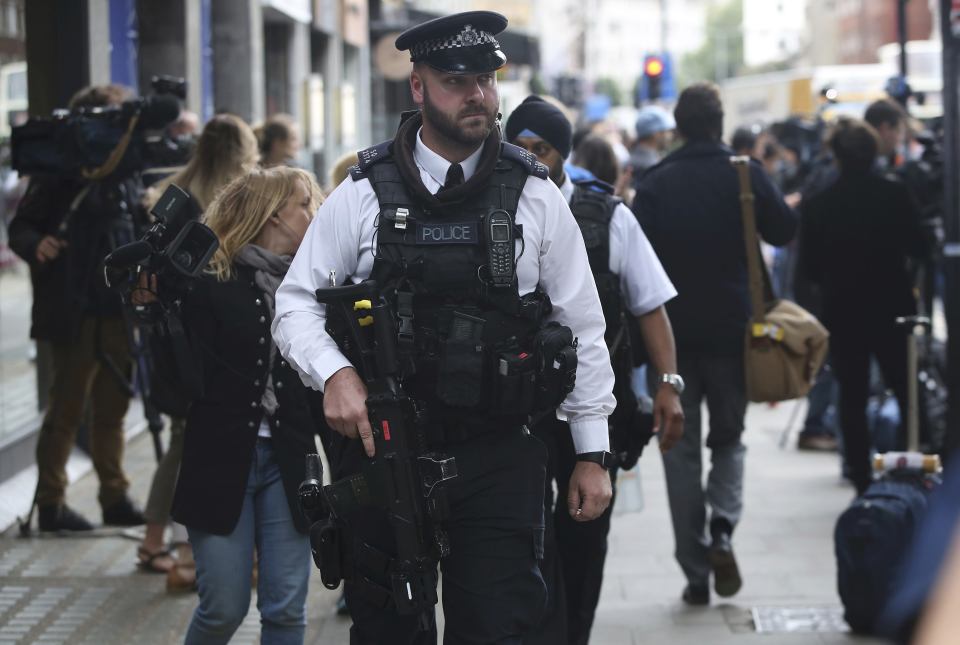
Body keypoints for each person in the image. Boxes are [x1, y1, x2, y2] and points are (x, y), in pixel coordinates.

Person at [273, 11, 616, 643]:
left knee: (498, 625)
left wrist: (592, 453)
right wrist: (336, 374)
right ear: (418, 87)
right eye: (456, 81)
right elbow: (294, 304)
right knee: (390, 628)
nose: (478, 95)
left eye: (486, 79)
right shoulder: (365, 191)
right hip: (385, 448)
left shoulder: (535, 193)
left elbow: (581, 324)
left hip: (498, 450)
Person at [505, 95, 683, 645]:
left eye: (544, 148)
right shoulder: (490, 210)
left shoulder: (608, 216)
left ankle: (571, 632)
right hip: (514, 408)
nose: (532, 158)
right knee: (524, 537)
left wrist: (668, 385)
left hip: (594, 408)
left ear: (563, 153)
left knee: (584, 532)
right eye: (521, 147)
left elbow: (649, 304)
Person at [633, 83, 797, 605]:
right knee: (728, 439)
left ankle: (696, 570)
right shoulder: (744, 173)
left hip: (672, 340)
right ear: (720, 122)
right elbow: (784, 230)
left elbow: (636, 267)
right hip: (733, 334)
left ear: (678, 127)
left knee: (679, 450)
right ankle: (724, 525)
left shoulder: (656, 183)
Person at [154, 166, 325, 644]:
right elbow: (173, 391)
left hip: (289, 463)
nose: (314, 213)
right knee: (224, 608)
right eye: (304, 204)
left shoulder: (312, 285)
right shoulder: (207, 283)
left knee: (287, 609)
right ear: (273, 215)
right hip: (220, 461)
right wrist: (157, 321)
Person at [8, 84, 150, 532]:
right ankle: (50, 502)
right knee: (66, 409)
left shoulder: (125, 172)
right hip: (72, 308)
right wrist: (38, 243)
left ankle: (115, 497)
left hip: (117, 307)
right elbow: (20, 227)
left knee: (114, 408)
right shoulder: (61, 172)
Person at [136, 113, 260, 587]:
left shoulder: (175, 195)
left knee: (181, 440)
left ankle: (155, 540)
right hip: (223, 338)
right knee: (215, 441)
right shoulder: (244, 197)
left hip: (174, 334)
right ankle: (198, 554)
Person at [797, 119, 925, 495]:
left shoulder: (820, 205)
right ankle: (908, 464)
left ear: (836, 156)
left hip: (844, 309)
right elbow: (919, 247)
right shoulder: (895, 194)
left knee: (851, 393)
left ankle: (859, 471)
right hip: (892, 307)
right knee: (905, 389)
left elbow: (810, 269)